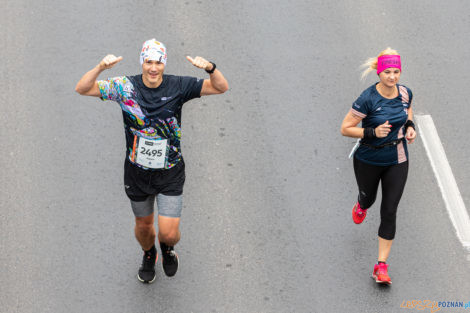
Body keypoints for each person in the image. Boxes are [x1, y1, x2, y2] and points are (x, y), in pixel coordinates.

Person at [75, 39, 229, 283]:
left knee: (168, 233)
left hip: (170, 171)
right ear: (142, 63)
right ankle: (149, 253)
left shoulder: (179, 85)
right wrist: (100, 68)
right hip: (137, 172)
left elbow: (221, 87)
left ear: (164, 64)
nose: (153, 68)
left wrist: (210, 68)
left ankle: (167, 247)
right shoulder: (125, 87)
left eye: (158, 62)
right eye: (149, 62)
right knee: (144, 227)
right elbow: (82, 88)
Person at [340, 48, 416, 285]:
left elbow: (408, 110)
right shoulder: (367, 98)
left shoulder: (405, 93)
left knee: (390, 210)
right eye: (387, 72)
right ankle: (361, 204)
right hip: (368, 158)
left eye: (396, 72)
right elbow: (345, 128)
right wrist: (372, 131)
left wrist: (410, 126)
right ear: (379, 72)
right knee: (369, 199)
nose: (392, 77)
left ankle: (381, 265)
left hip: (397, 157)